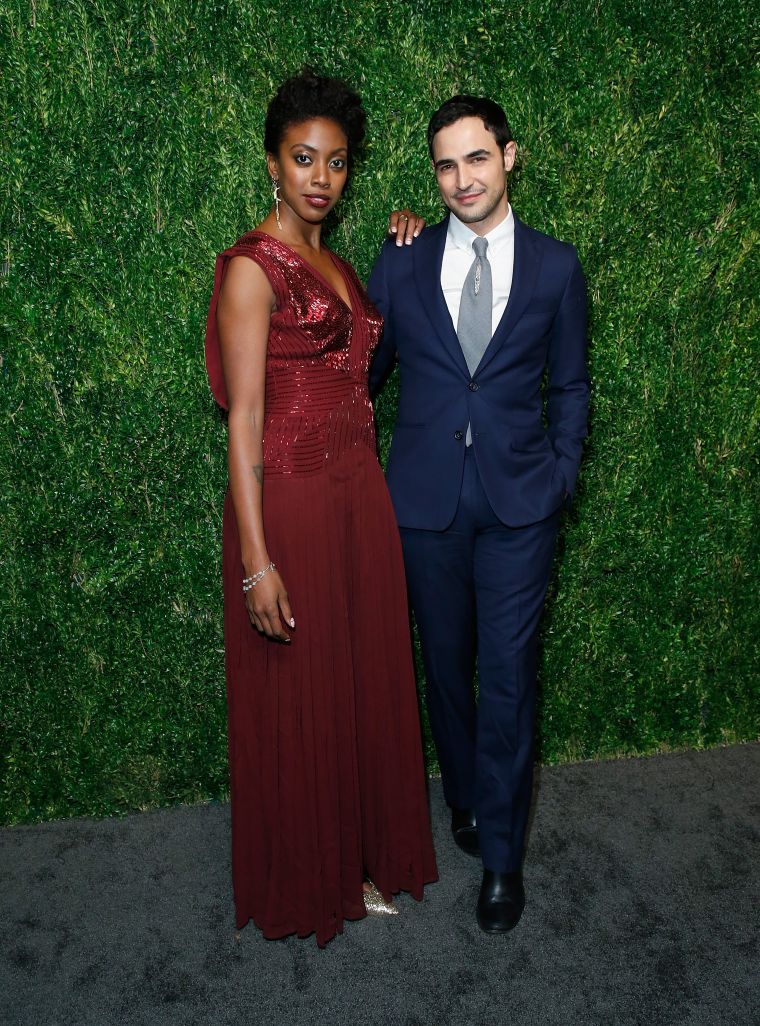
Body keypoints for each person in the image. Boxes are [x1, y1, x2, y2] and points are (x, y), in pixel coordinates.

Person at [204, 70, 437, 948]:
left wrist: (403, 245)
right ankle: (313, 874)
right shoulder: (250, 269)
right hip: (293, 502)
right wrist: (256, 560)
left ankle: (362, 854)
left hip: (358, 496)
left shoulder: (338, 263)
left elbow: (358, 366)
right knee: (303, 686)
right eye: (304, 159)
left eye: (336, 163)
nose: (319, 178)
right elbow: (246, 423)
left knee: (359, 676)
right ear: (272, 164)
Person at [368, 95, 589, 934]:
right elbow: (366, 378)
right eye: (446, 165)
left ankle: (502, 858)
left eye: (477, 159)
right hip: (422, 507)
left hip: (519, 510)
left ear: (510, 157)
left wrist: (560, 475)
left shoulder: (556, 267)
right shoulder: (400, 262)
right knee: (445, 671)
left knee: (507, 676)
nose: (462, 179)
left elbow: (570, 384)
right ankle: (463, 798)